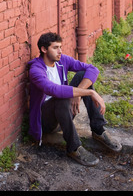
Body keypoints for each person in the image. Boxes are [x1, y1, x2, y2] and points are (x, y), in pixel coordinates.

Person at [28, 32, 122, 166]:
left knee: (82, 75)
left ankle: (98, 129)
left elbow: (92, 69)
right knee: (60, 97)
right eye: (55, 48)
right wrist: (89, 92)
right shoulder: (36, 70)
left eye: (60, 47)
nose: (60, 51)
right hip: (47, 121)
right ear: (44, 49)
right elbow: (53, 90)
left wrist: (78, 94)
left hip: (64, 112)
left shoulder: (62, 60)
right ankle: (74, 147)